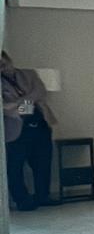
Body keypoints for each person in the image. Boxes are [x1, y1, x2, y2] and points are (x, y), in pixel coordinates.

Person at [2, 51, 57, 210]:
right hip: (16, 128)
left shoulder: (28, 74)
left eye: (4, 64)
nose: (3, 69)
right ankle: (22, 200)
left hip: (40, 124)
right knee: (15, 166)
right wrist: (25, 103)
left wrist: (18, 103)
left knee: (43, 162)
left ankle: (43, 196)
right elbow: (4, 107)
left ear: (9, 60)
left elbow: (40, 92)